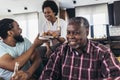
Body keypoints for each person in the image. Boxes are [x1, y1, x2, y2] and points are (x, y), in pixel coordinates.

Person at [39, 17, 120, 80]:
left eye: (76, 33)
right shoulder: (60, 51)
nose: (70, 37)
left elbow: (116, 76)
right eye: (68, 33)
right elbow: (47, 74)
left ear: (87, 33)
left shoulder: (103, 52)